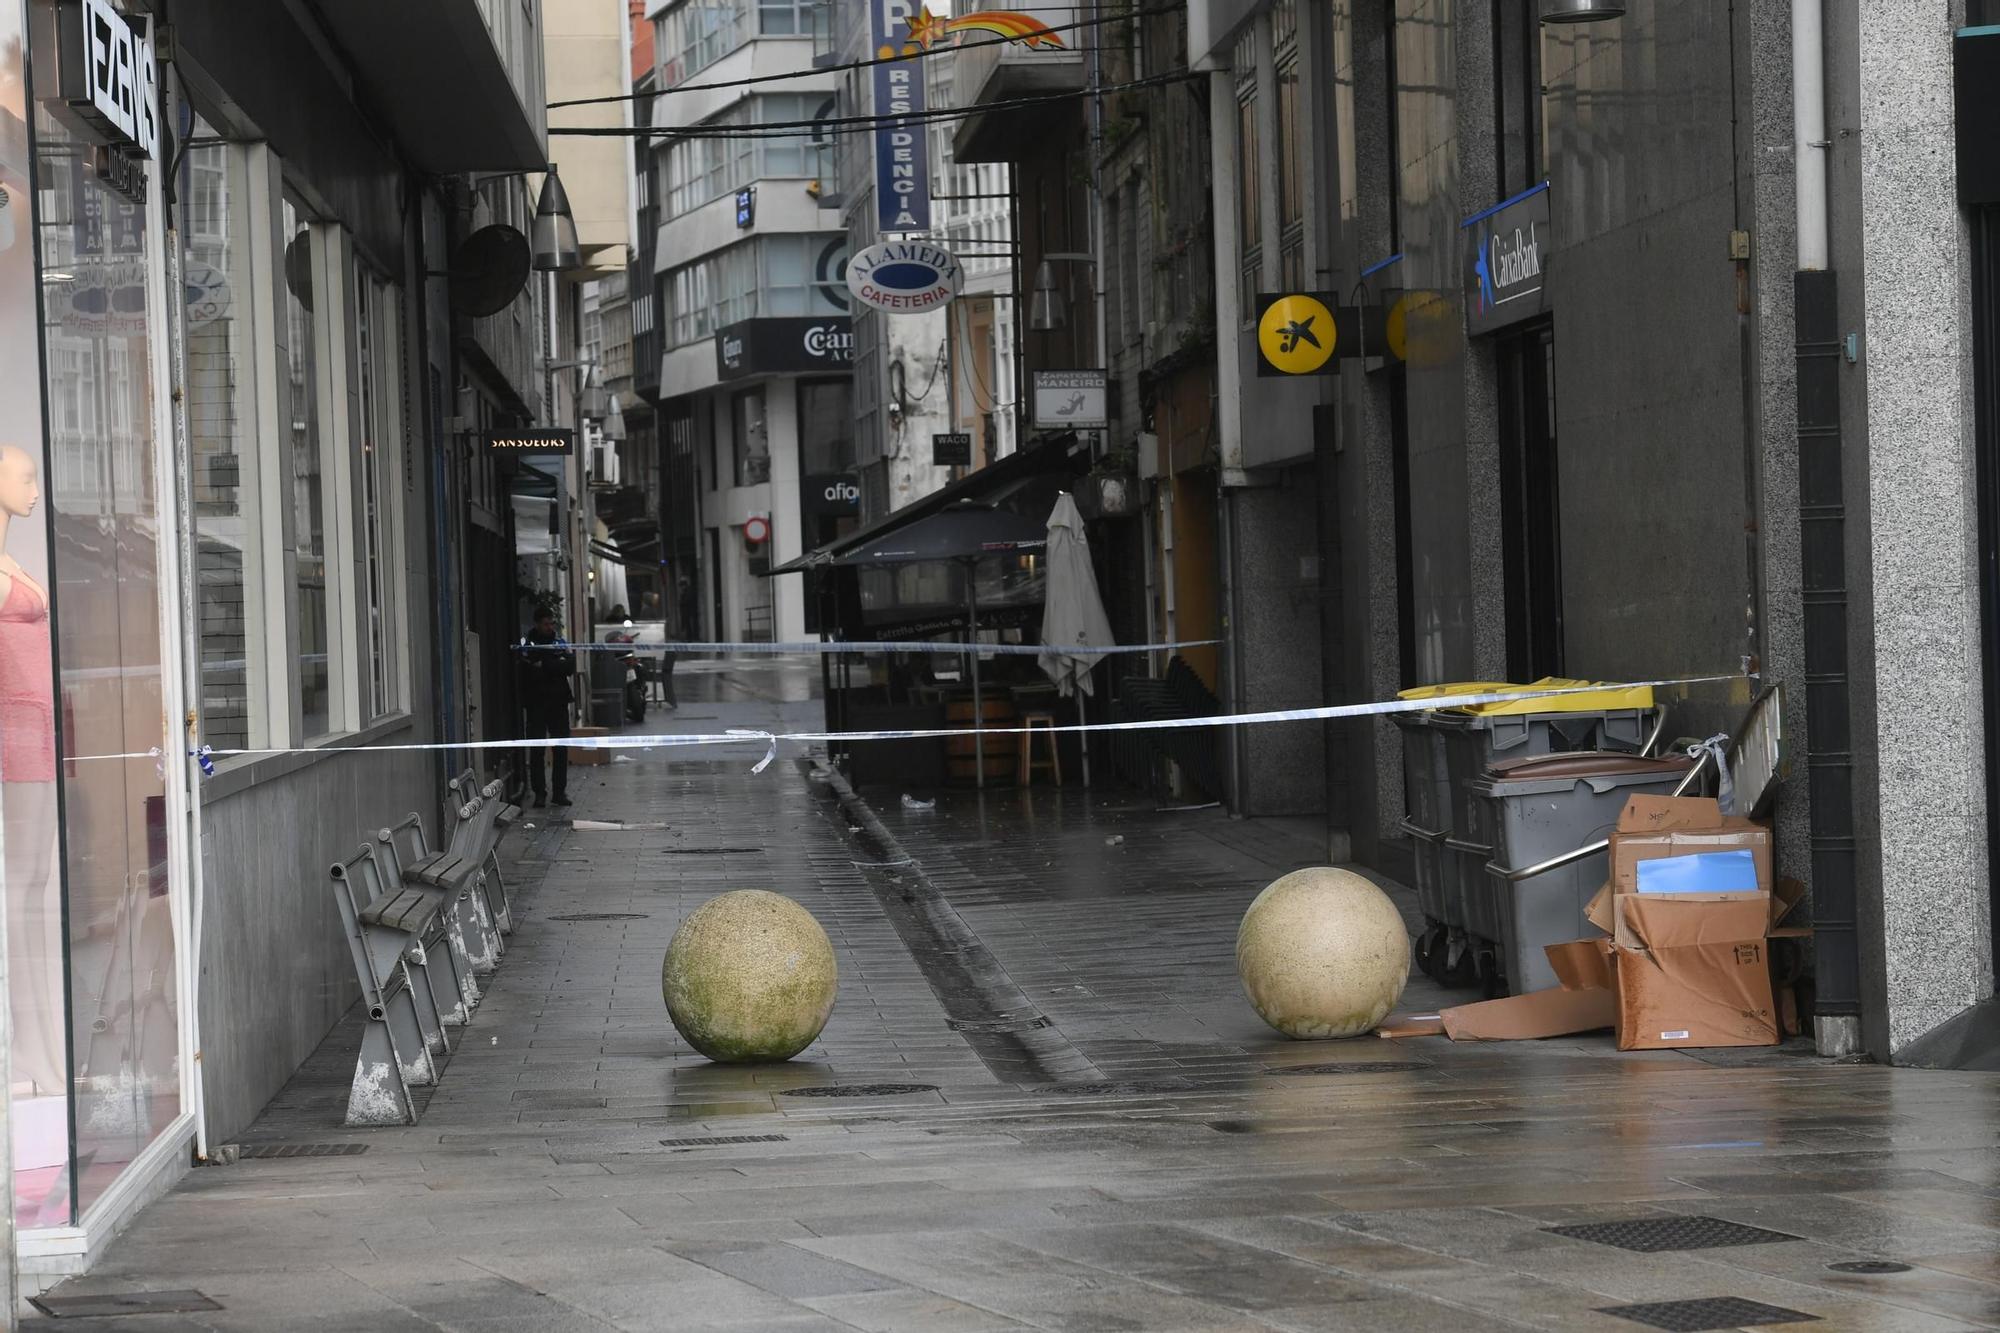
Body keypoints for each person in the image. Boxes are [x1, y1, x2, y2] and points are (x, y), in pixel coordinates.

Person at [516, 607, 574, 808]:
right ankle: (539, 792)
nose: (549, 627)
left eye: (552, 623)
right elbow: (527, 669)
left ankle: (559, 792)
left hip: (558, 702)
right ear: (537, 624)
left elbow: (570, 666)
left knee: (560, 749)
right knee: (537, 749)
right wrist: (554, 665)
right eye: (546, 623)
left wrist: (545, 665)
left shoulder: (559, 642)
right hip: (536, 703)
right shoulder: (527, 644)